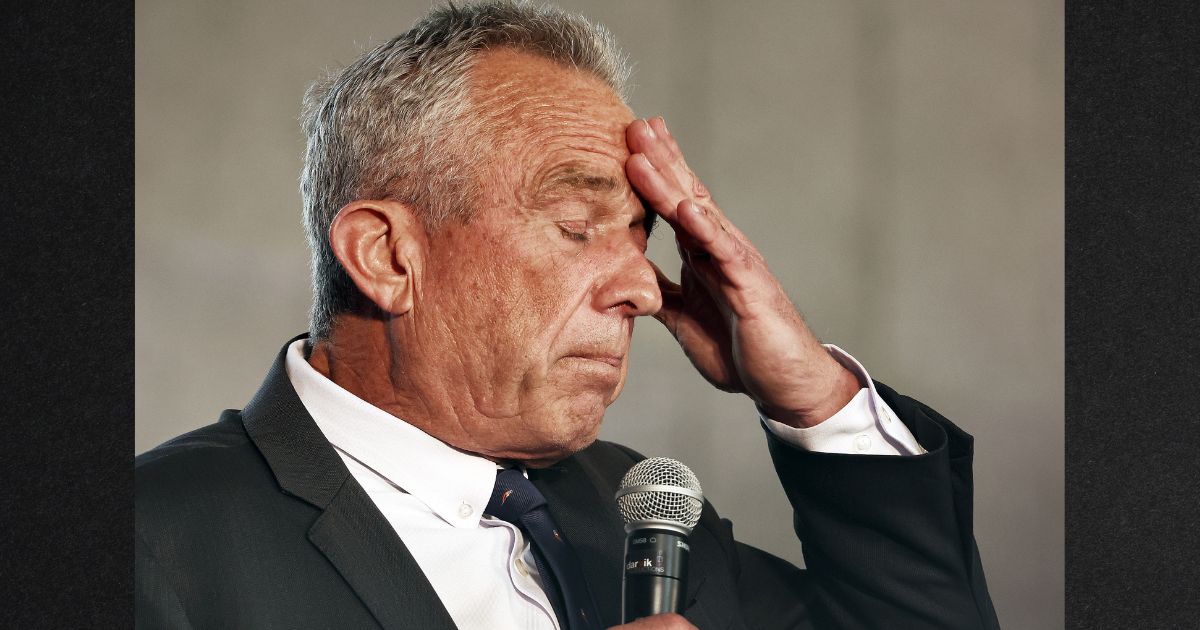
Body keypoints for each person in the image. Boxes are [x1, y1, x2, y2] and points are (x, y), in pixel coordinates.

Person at [135, 2, 1000, 628]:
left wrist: (814, 398)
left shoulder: (649, 518)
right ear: (389, 258)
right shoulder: (151, 542)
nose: (645, 287)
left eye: (640, 235)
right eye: (579, 227)